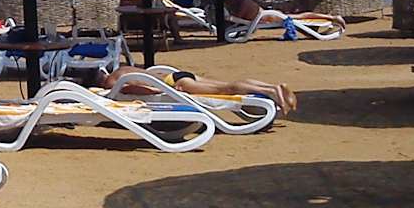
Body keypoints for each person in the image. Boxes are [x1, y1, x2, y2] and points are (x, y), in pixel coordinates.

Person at [101, 62, 297, 115]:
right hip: (176, 75)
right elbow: (145, 75)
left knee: (227, 89)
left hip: (175, 84)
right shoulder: (121, 68)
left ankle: (271, 92)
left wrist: (162, 92)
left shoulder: (111, 82)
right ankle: (271, 86)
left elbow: (133, 89)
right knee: (226, 84)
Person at [224, 0, 342, 38]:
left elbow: (238, 17)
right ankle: (314, 31)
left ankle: (332, 17)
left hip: (271, 17)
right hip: (268, 16)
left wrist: (229, 18)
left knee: (300, 18)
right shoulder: (245, 2)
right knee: (299, 21)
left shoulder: (244, 4)